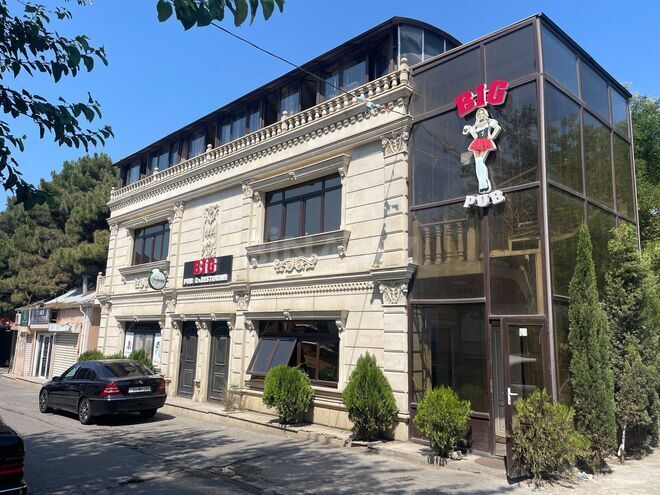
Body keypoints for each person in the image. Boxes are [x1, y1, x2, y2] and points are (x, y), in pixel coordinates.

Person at [462, 107, 501, 194]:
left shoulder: (490, 121)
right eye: (479, 114)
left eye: (482, 113)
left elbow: (497, 128)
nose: (480, 115)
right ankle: (481, 184)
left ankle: (485, 183)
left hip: (485, 142)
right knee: (477, 162)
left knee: (480, 161)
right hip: (477, 142)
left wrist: (491, 137)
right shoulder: (476, 125)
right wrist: (470, 129)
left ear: (485, 114)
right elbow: (475, 136)